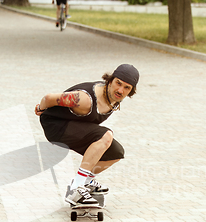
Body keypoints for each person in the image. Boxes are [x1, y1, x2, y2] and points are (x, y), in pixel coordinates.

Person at [35, 64, 139, 206]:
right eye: (118, 83)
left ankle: (86, 181)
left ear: (131, 91)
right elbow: (48, 98)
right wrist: (40, 108)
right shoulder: (83, 99)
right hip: (56, 126)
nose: (120, 90)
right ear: (110, 80)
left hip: (73, 125)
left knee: (115, 152)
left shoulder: (113, 98)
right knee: (106, 136)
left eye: (126, 87)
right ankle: (75, 188)